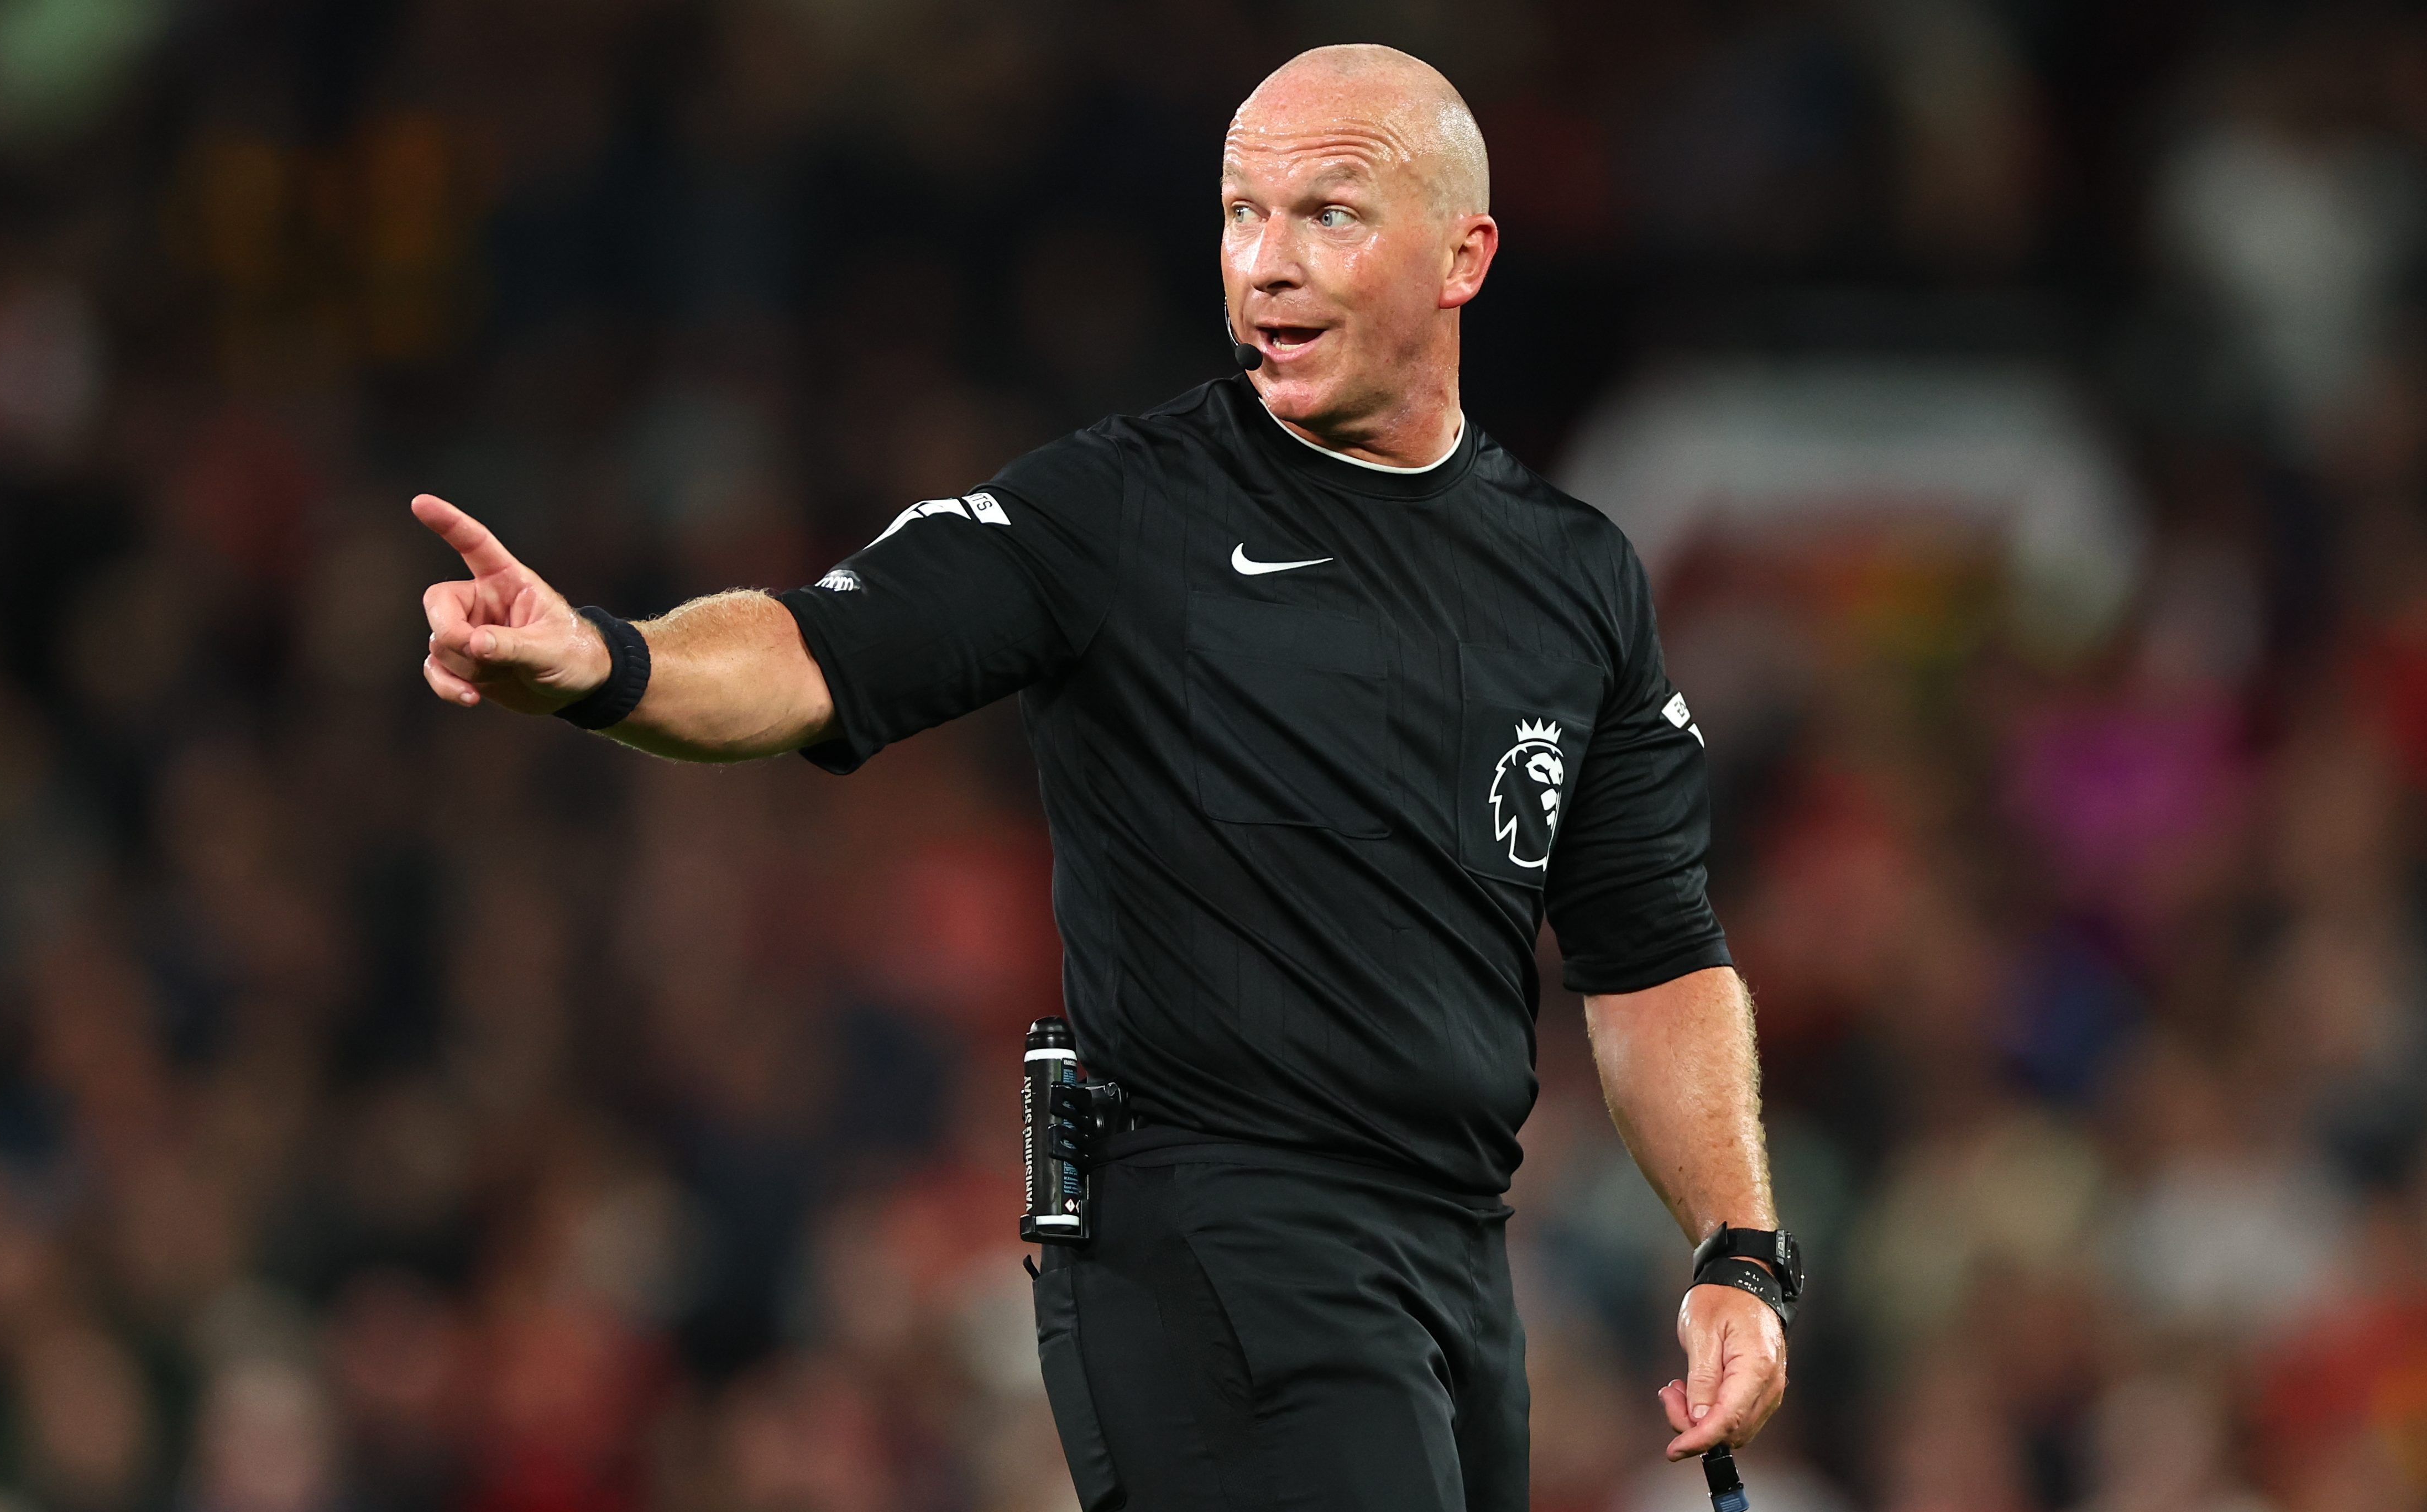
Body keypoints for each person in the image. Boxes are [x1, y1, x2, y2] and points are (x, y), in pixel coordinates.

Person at [415, 43, 1793, 1512]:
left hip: (1456, 1258)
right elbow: (819, 648)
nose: (1267, 262)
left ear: (1466, 256)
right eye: (1241, 213)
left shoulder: (1575, 579)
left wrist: (1740, 1252)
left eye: (1328, 214)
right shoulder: (1124, 509)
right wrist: (610, 659)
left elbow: (1656, 957)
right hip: (1211, 1243)